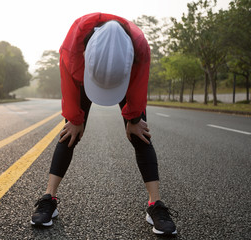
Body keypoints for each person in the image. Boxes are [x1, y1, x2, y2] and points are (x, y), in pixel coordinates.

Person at [30, 12, 177, 235]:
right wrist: (75, 118)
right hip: (85, 76)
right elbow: (69, 85)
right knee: (70, 133)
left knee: (140, 134)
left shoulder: (140, 48)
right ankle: (49, 197)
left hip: (124, 79)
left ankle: (154, 204)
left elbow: (138, 84)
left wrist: (134, 119)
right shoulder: (73, 47)